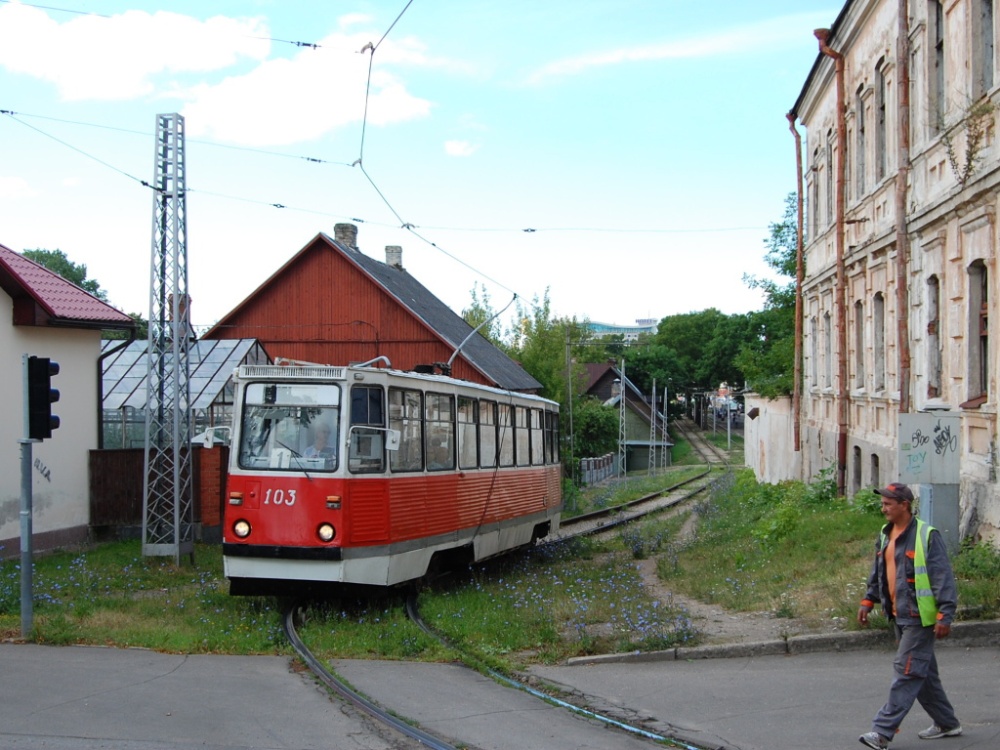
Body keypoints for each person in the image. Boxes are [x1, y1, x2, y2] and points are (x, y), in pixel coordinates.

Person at [857, 483, 962, 749]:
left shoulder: (927, 535)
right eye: (882, 504)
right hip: (898, 615)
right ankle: (947, 723)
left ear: (904, 504)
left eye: (888, 504)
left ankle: (881, 732)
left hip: (919, 618)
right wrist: (869, 599)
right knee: (922, 673)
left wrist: (944, 615)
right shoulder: (885, 533)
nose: (884, 509)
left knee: (906, 671)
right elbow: (879, 569)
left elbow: (942, 576)